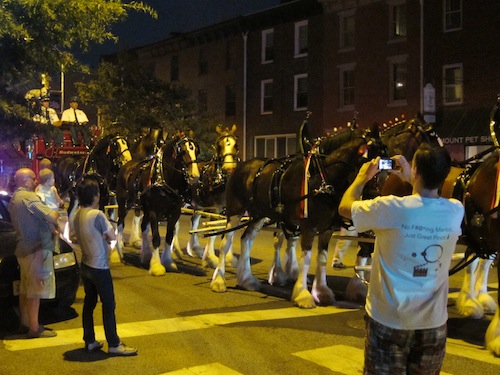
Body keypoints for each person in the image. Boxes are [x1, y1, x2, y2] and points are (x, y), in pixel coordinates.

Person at [338, 143, 464, 374]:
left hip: (389, 320)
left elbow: (346, 208)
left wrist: (361, 178)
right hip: (433, 324)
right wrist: (413, 179)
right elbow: (426, 201)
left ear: (415, 171)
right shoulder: (455, 210)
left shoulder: (391, 208)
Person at [74, 177, 137, 355]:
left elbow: (73, 237)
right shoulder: (97, 215)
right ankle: (114, 344)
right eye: (98, 193)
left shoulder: (78, 214)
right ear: (94, 195)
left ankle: (90, 340)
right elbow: (112, 237)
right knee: (108, 305)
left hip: (85, 265)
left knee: (89, 303)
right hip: (99, 266)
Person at [8, 168, 60, 338]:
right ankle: (34, 327)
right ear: (24, 180)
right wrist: (55, 210)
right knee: (35, 292)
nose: (35, 181)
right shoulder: (29, 198)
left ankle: (24, 323)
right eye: (32, 178)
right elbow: (51, 216)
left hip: (22, 248)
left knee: (25, 289)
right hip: (36, 249)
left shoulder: (15, 198)